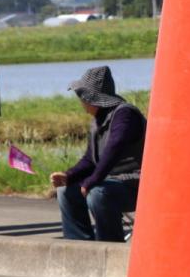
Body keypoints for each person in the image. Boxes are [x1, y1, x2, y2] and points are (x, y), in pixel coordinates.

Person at [50, 66, 146, 242]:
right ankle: (79, 245)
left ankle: (108, 245)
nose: (81, 101)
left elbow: (114, 148)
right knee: (65, 191)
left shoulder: (125, 115)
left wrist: (91, 181)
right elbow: (90, 159)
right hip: (110, 181)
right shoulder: (98, 119)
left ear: (91, 97)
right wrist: (68, 176)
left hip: (135, 184)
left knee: (97, 192)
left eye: (81, 96)